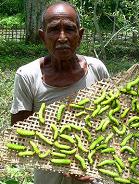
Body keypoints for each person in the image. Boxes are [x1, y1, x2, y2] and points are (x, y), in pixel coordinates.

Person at [10, 1, 109, 184]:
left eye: (70, 30)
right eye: (54, 30)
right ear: (43, 36)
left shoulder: (97, 69)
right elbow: (19, 136)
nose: (62, 38)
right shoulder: (28, 76)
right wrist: (65, 161)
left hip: (93, 174)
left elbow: (114, 117)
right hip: (49, 177)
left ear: (80, 35)